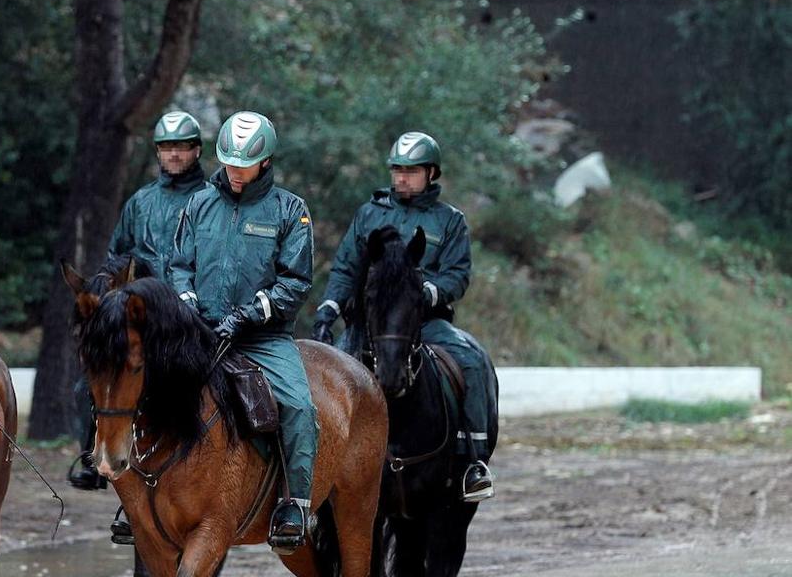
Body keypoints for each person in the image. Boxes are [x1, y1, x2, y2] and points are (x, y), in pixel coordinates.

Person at [314, 131, 495, 501]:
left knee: (473, 361)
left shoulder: (450, 221)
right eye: (397, 170)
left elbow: (457, 274)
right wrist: (329, 308)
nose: (402, 178)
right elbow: (346, 268)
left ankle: (473, 460)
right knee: (325, 376)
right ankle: (317, 470)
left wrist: (429, 293)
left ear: (431, 173)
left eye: (411, 171)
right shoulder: (369, 215)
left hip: (425, 323)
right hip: (369, 326)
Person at [168, 110, 318, 554]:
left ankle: (296, 504)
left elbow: (295, 283)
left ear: (265, 161)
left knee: (298, 406)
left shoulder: (290, 211)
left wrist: (249, 315)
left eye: (243, 164)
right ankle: (138, 495)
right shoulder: (198, 204)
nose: (234, 171)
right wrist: (188, 303)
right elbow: (178, 266)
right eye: (229, 162)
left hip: (262, 338)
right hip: (201, 332)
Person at [69, 110, 209, 498]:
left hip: (188, 320)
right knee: (91, 384)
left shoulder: (210, 199)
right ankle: (96, 462)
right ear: (158, 153)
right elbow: (118, 256)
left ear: (196, 150)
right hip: (139, 321)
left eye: (181, 147)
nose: (174, 155)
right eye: (166, 147)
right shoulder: (141, 202)